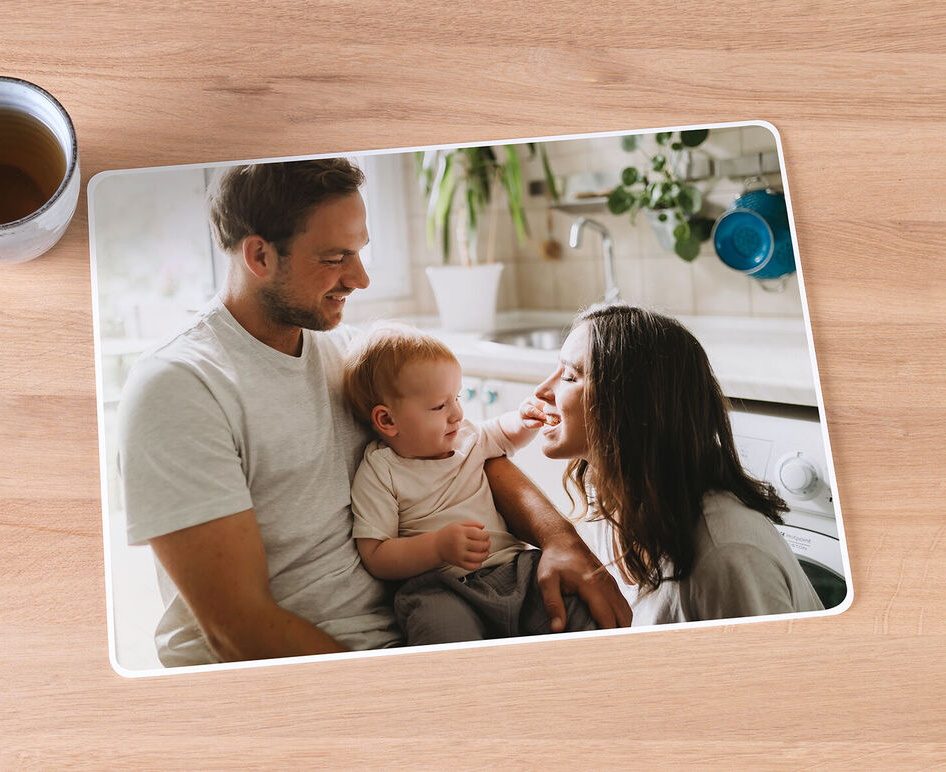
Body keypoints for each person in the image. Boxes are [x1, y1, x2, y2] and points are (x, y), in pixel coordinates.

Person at [117, 158, 629, 668]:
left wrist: (562, 542)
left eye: (360, 251)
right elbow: (238, 627)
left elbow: (465, 454)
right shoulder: (181, 388)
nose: (360, 278)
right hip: (317, 673)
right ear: (259, 256)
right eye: (335, 256)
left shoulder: (349, 358)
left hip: (418, 630)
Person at [530, 302, 825, 624]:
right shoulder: (609, 495)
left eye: (570, 377)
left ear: (632, 405)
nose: (543, 390)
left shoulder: (726, 558)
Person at [342, 323, 598, 646]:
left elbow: (504, 433)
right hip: (440, 588)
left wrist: (524, 419)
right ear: (387, 421)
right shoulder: (381, 470)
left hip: (515, 570)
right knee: (441, 633)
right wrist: (436, 547)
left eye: (457, 397)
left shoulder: (468, 436)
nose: (457, 413)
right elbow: (375, 553)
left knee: (572, 610)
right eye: (440, 406)